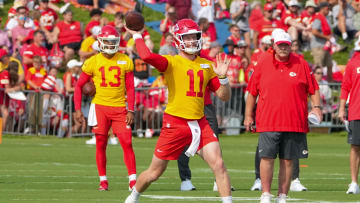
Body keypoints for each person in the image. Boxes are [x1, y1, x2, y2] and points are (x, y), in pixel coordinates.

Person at [125, 18, 233, 203]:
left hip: (200, 122)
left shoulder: (206, 64)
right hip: (175, 123)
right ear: (178, 40)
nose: (191, 41)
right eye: (187, 37)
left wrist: (223, 77)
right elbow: (146, 56)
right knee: (154, 173)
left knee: (219, 165)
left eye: (194, 37)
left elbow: (224, 96)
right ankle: (134, 195)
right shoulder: (171, 62)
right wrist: (137, 35)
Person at [244, 31, 322, 203]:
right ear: (274, 45)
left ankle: (282, 196)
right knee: (267, 158)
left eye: (286, 44)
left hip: (294, 122)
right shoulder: (263, 61)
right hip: (268, 120)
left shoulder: (301, 63)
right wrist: (248, 116)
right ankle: (265, 194)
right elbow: (251, 92)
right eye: (280, 45)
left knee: (288, 161)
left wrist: (316, 107)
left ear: (291, 45)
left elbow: (313, 89)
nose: (284, 48)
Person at [74, 25, 137, 191]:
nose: (110, 45)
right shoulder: (92, 61)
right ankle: (103, 180)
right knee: (101, 144)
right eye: (107, 42)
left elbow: (130, 87)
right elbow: (79, 85)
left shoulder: (125, 60)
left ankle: (133, 180)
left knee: (127, 142)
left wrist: (131, 109)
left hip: (119, 107)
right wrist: (78, 109)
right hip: (100, 107)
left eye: (113, 42)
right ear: (100, 42)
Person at [338, 38, 360, 194]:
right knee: (355, 147)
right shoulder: (353, 63)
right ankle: (353, 182)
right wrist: (341, 109)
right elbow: (345, 87)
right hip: (357, 110)